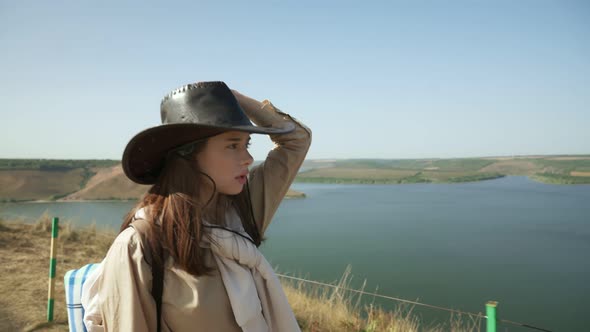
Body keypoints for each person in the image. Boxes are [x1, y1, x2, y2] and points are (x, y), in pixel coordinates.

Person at [91, 81, 311, 331]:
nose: (248, 158)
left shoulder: (240, 212)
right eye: (232, 145)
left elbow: (295, 139)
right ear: (188, 155)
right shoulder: (139, 247)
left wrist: (236, 100)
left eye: (246, 145)